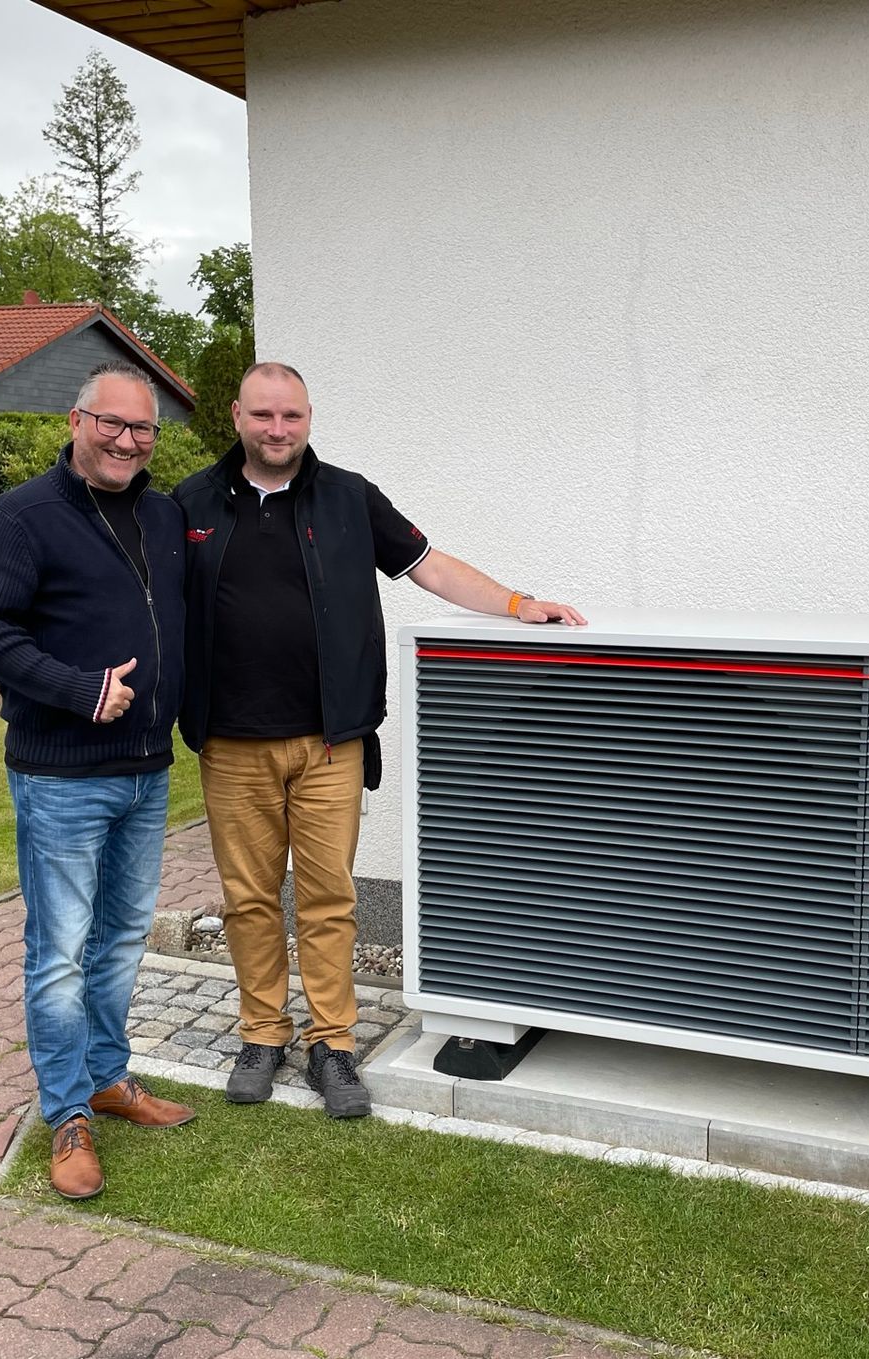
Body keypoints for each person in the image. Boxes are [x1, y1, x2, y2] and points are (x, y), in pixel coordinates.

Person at [176, 361, 585, 1119]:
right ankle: (262, 1037)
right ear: (236, 416)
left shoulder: (349, 498)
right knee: (249, 900)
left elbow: (430, 566)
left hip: (330, 743)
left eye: (292, 416)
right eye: (263, 415)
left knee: (329, 899)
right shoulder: (191, 503)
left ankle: (332, 1045)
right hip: (231, 745)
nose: (277, 429)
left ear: (309, 418)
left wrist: (517, 603)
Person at [0, 359, 194, 1200]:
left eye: (143, 428)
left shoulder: (164, 516)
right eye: (112, 423)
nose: (128, 441)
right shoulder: (22, 517)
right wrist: (78, 688)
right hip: (60, 776)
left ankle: (106, 1077)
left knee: (122, 939)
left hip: (147, 772)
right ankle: (66, 1114)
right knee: (59, 952)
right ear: (76, 421)